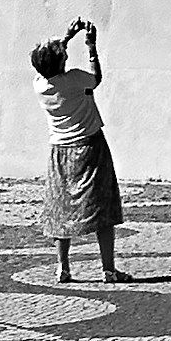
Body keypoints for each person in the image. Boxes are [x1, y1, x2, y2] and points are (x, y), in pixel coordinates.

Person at [32, 19, 131, 284]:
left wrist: (66, 37)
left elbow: (49, 64)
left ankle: (63, 268)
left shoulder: (40, 85)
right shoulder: (75, 79)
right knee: (103, 208)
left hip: (59, 152)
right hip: (89, 147)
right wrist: (90, 46)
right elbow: (96, 77)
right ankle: (108, 269)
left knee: (60, 210)